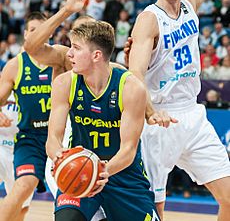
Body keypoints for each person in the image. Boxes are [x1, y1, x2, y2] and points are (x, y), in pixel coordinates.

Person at [128, 0, 230, 221]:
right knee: (155, 212)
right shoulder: (148, 19)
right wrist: (149, 111)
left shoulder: (190, 2)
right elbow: (134, 72)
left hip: (193, 115)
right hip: (160, 119)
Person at [46, 20, 159, 221]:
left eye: (76, 48)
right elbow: (53, 137)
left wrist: (102, 172)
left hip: (121, 175)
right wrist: (59, 155)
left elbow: (128, 150)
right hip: (79, 172)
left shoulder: (131, 88)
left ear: (96, 55)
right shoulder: (64, 83)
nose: (69, 54)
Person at [0, 12, 53, 221]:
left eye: (41, 31)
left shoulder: (61, 62)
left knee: (22, 208)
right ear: (25, 34)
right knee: (20, 191)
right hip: (23, 140)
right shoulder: (15, 66)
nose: (36, 35)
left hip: (54, 139)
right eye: (33, 31)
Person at [0, 89, 32, 221]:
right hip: (1, 146)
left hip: (25, 151)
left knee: (21, 207)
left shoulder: (45, 83)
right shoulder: (5, 84)